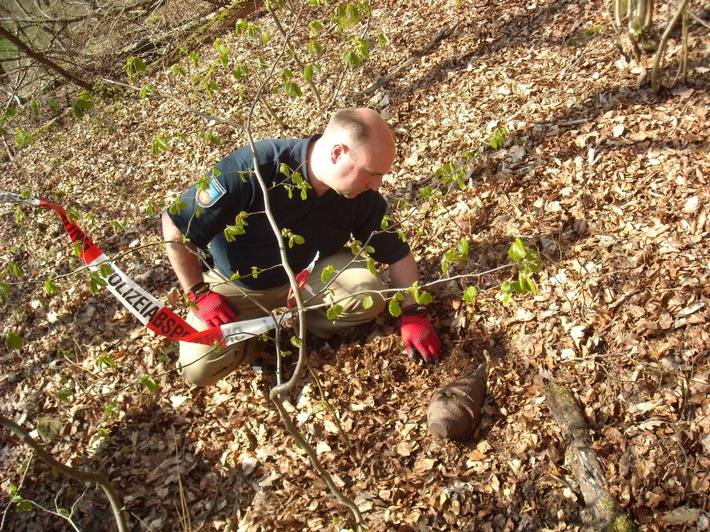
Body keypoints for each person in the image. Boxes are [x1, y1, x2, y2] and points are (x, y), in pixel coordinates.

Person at [162, 107, 440, 386]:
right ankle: (254, 342)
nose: (377, 186)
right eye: (371, 173)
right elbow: (174, 224)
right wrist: (198, 294)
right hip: (236, 285)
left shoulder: (361, 193)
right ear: (337, 154)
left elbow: (397, 252)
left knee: (370, 292)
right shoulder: (255, 167)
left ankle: (305, 327)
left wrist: (413, 311)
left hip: (306, 278)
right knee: (197, 368)